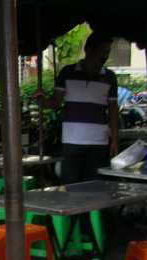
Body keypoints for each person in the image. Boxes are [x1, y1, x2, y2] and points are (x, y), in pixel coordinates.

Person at [35, 32, 118, 183]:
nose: (105, 56)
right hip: (72, 141)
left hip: (98, 143)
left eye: (107, 52)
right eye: (102, 51)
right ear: (88, 50)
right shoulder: (67, 72)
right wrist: (41, 101)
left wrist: (115, 140)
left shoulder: (110, 77)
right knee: (71, 187)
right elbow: (55, 102)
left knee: (94, 187)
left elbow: (113, 110)